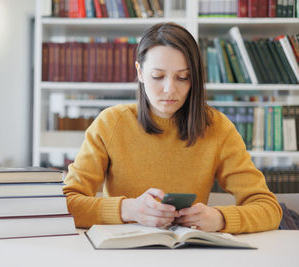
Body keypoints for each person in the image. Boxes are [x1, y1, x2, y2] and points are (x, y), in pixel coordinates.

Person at [62, 22, 282, 234]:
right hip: (122, 253)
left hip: (189, 253)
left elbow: (268, 208)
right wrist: (128, 209)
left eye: (183, 77)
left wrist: (220, 218)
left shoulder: (217, 128)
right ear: (139, 72)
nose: (170, 89)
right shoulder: (110, 124)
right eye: (157, 76)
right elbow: (66, 204)